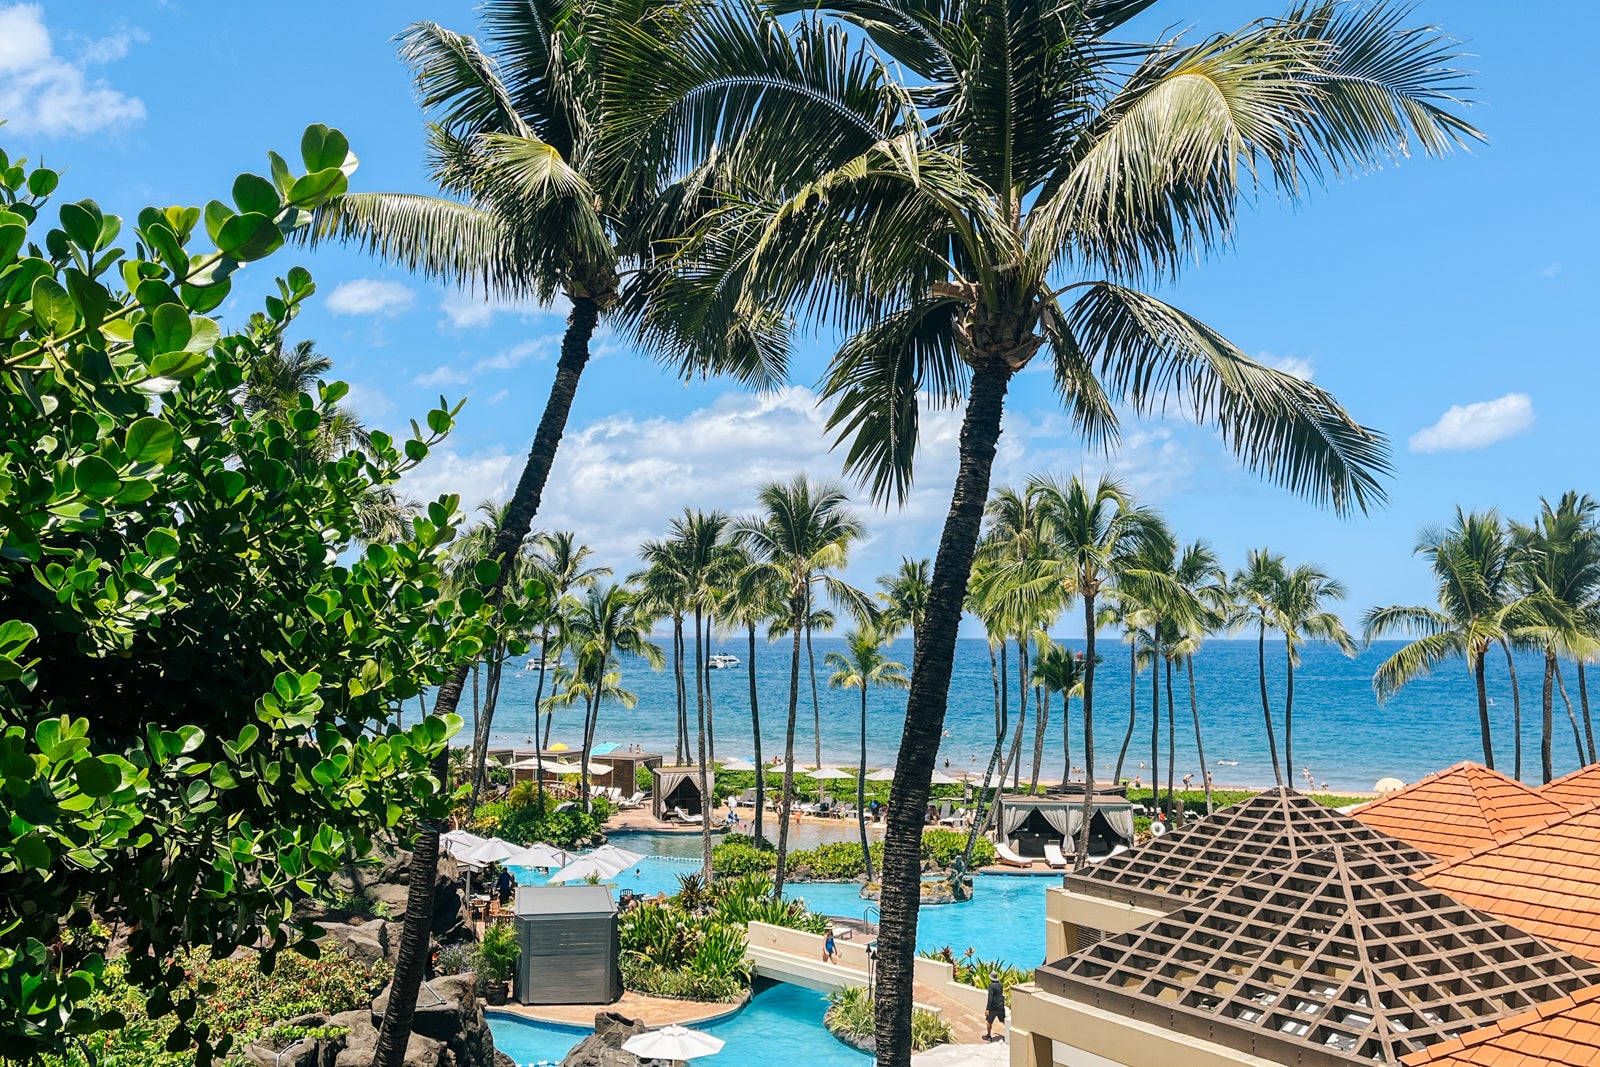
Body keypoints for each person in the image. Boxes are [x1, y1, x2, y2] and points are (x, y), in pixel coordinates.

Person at [985, 971, 1006, 1041]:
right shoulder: (1001, 985)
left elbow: (990, 998)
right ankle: (1009, 1033)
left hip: (993, 1007)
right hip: (1000, 1007)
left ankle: (988, 1036)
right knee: (1003, 1021)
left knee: (989, 1021)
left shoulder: (991, 986)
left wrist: (987, 1009)